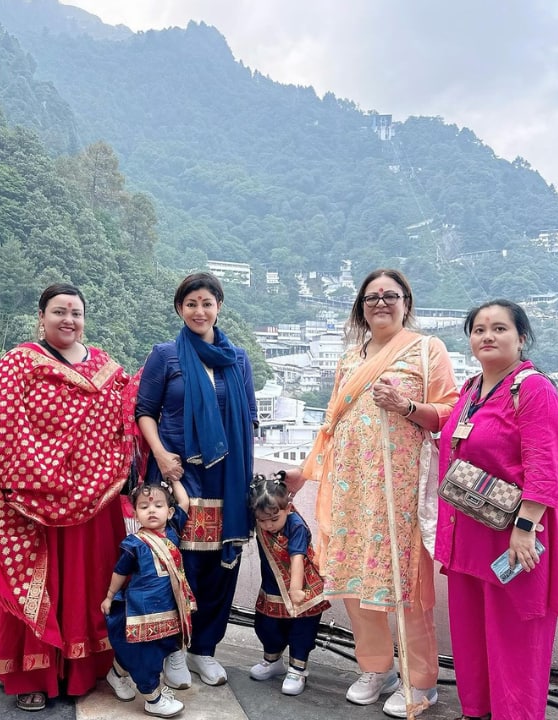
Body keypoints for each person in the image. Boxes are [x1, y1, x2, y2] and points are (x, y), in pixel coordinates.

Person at [284, 268, 458, 717]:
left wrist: (407, 407)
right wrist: (305, 474)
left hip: (399, 491)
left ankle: (419, 682)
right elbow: (330, 421)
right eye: (371, 297)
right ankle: (375, 668)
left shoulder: (426, 350)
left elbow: (451, 411)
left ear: (406, 302)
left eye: (390, 295)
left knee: (405, 586)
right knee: (358, 584)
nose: (380, 303)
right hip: (352, 486)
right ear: (361, 307)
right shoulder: (350, 358)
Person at [0, 283, 142, 712]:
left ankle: (86, 668)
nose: (69, 320)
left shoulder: (107, 369)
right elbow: (1, 426)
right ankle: (33, 675)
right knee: (34, 583)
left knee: (90, 582)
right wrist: (44, 478)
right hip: (31, 502)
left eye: (76, 313)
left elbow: (131, 415)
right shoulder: (18, 365)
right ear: (41, 317)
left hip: (95, 503)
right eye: (59, 311)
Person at [435, 300, 558, 720]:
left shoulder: (534, 390)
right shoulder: (472, 389)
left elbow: (546, 467)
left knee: (515, 644)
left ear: (521, 338)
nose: (488, 337)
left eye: (499, 329)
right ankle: (475, 711)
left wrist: (525, 528)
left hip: (514, 539)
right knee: (471, 638)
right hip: (469, 538)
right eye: (479, 329)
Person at [135, 272, 257, 688]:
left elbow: (249, 419)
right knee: (172, 566)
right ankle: (172, 651)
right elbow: (144, 411)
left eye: (207, 302)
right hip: (176, 477)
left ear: (218, 306)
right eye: (191, 304)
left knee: (217, 570)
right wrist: (162, 455)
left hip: (226, 482)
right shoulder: (165, 355)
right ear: (179, 309)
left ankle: (204, 648)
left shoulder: (238, 359)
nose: (199, 311)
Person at [100, 480, 195, 718]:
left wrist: (173, 479)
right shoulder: (134, 544)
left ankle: (116, 674)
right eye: (144, 507)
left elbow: (184, 502)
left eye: (158, 505)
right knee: (146, 656)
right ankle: (153, 698)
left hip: (170, 609)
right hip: (142, 612)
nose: (151, 510)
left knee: (162, 648)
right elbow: (120, 572)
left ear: (169, 512)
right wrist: (110, 596)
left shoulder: (172, 532)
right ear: (135, 513)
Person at [246, 472, 330, 697]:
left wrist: (295, 588)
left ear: (288, 508)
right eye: (262, 520)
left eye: (274, 519)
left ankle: (297, 668)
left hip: (303, 589)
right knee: (266, 626)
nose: (268, 525)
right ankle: (273, 661)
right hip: (272, 588)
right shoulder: (261, 525)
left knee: (300, 631)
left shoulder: (296, 526)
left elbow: (296, 557)